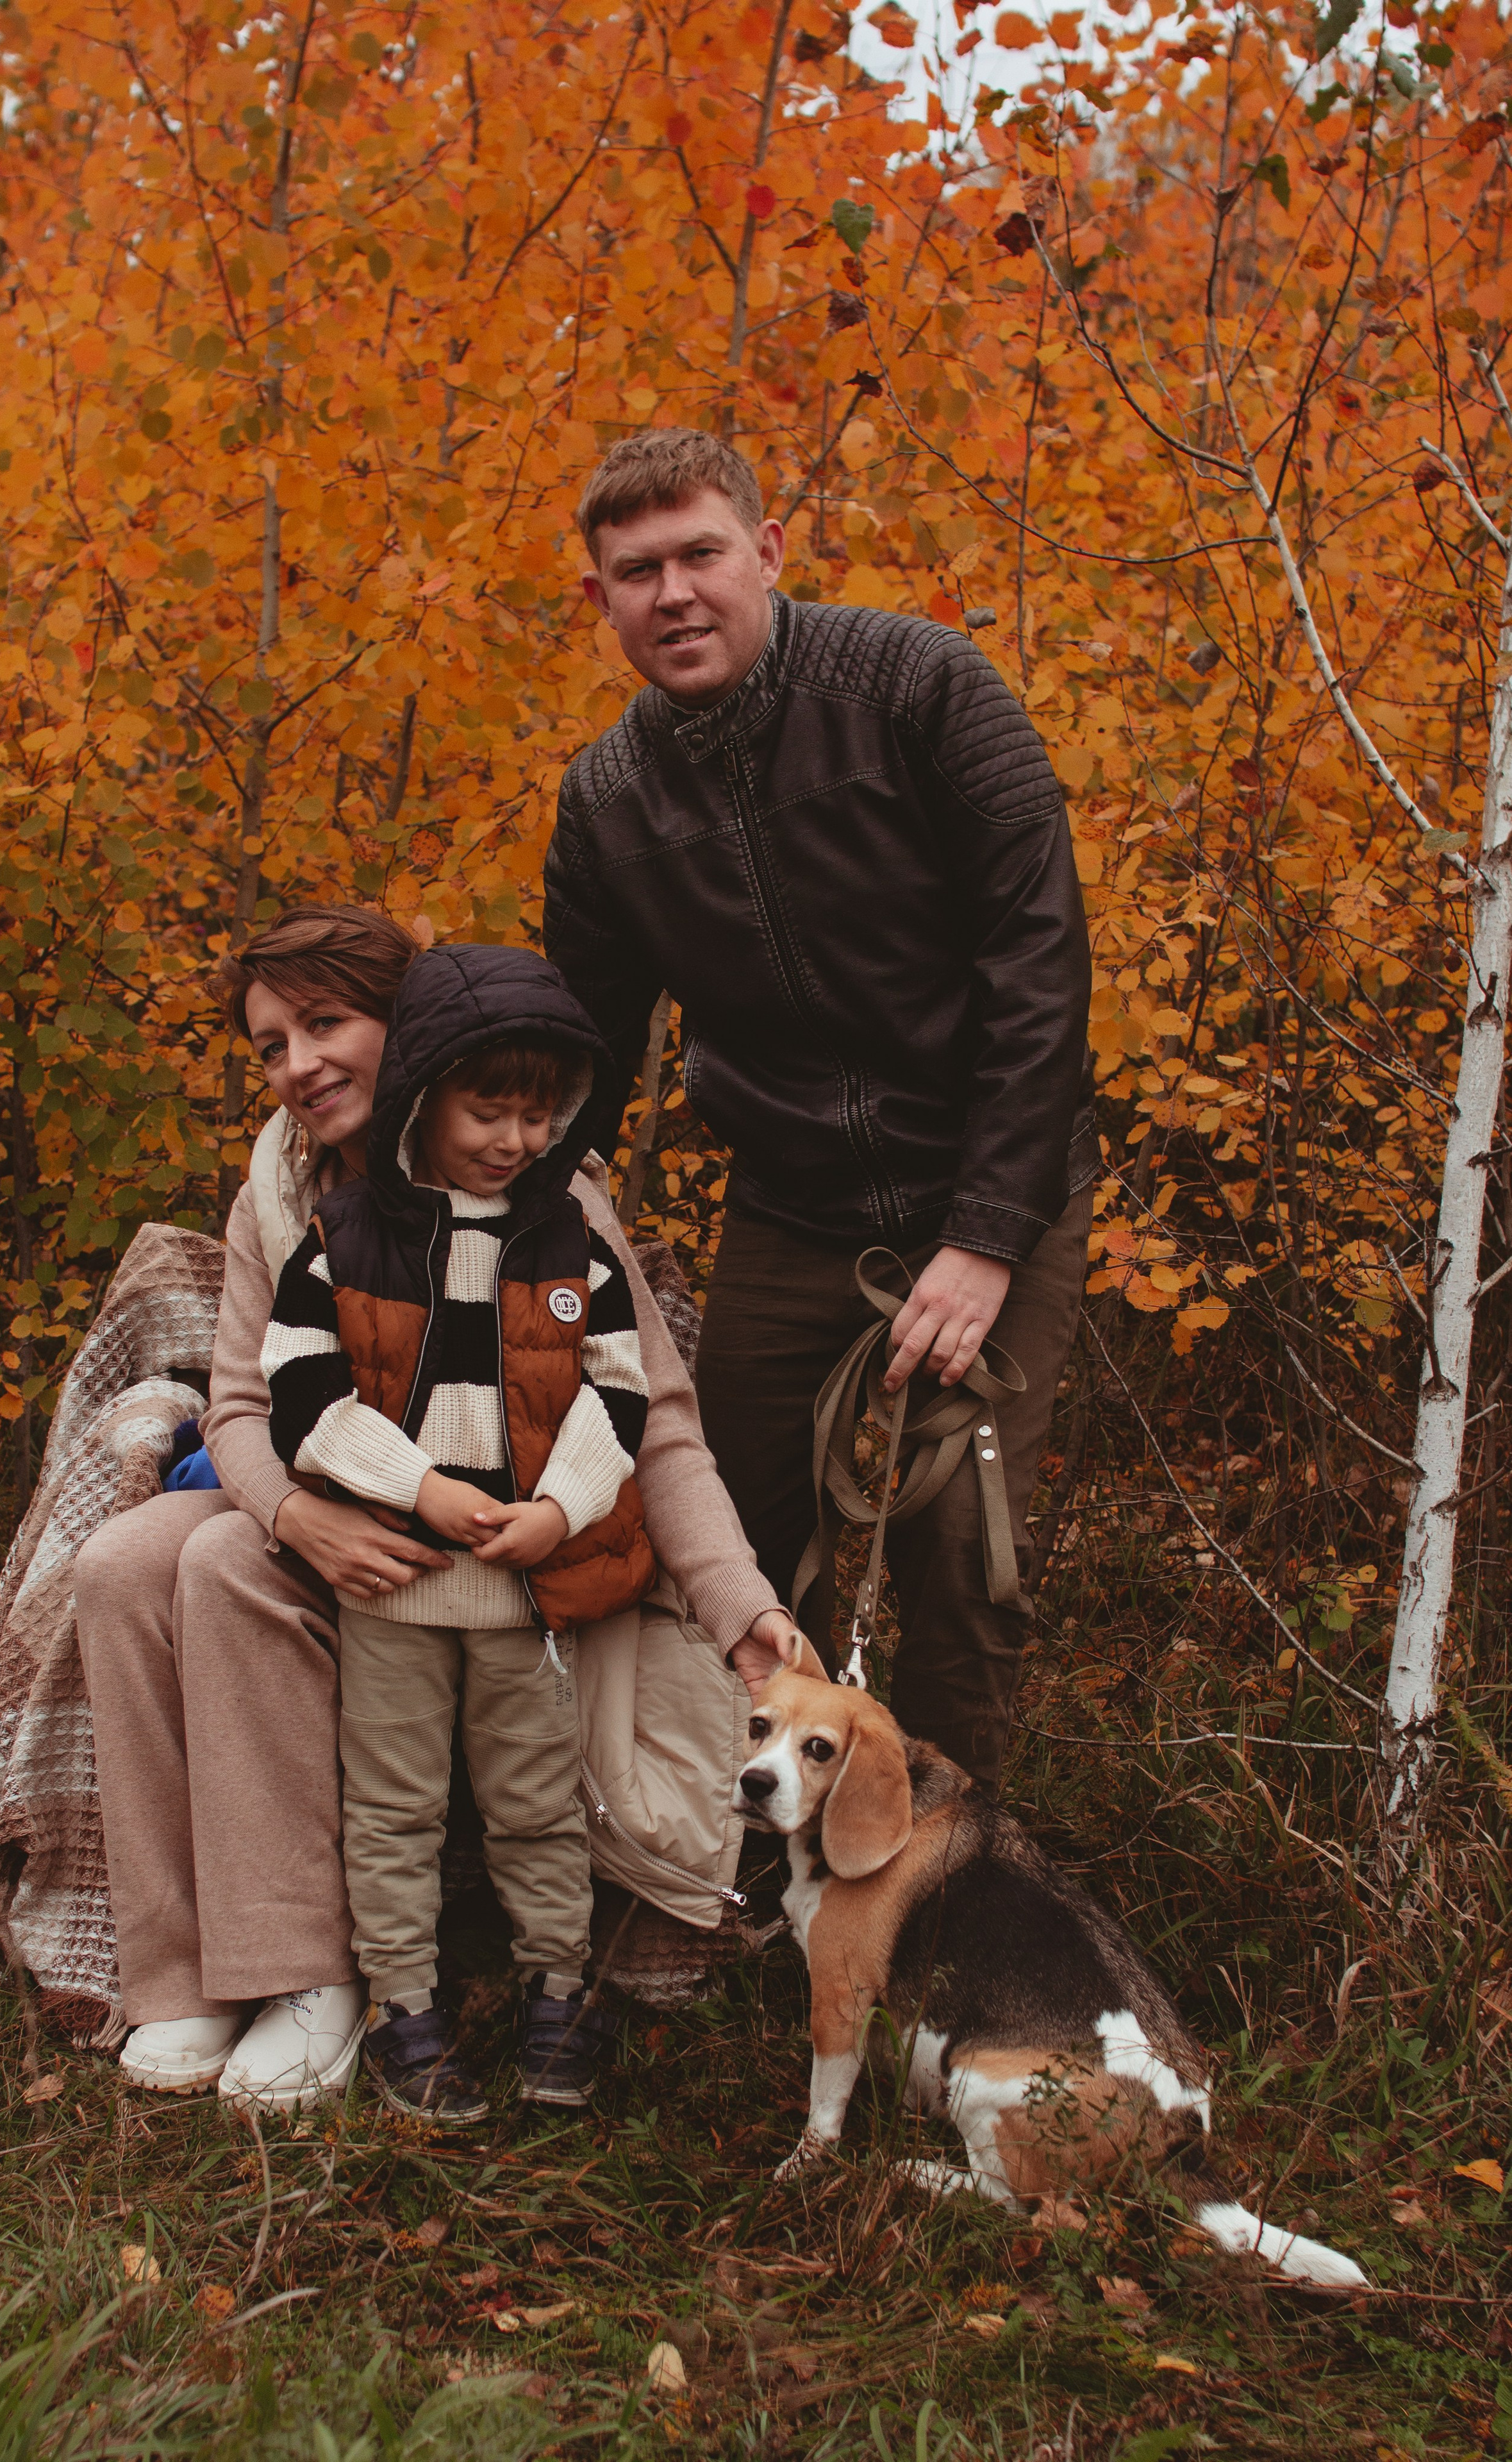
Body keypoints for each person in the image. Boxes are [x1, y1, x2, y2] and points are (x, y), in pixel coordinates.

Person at [75, 904, 791, 2111]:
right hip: (331, 1493)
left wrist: (739, 1602)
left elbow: (650, 1418)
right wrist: (297, 1516)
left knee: (217, 1572)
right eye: (268, 1045)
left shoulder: (545, 1185)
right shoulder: (283, 1188)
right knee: (119, 1565)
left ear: (408, 1029)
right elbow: (243, 1404)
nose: (297, 1064)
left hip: (500, 1539)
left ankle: (311, 1975)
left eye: (325, 1023)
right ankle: (183, 1971)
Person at [544, 430, 1098, 1796]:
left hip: (992, 1182)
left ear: (767, 553)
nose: (672, 594)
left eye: (698, 556)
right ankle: (725, 1868)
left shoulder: (919, 688)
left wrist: (982, 1234)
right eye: (636, 572)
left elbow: (1040, 966)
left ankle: (943, 1879)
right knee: (721, 1538)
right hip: (793, 1206)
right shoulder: (607, 800)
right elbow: (579, 1051)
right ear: (602, 600)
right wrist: (513, 1206)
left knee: (962, 1559)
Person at [263, 942, 656, 2116]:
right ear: (424, 1093)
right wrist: (417, 1487)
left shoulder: (571, 1243)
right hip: (394, 1584)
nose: (516, 1142)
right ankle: (406, 2010)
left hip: (525, 1594)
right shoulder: (340, 1239)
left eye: (541, 1117)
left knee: (538, 1802)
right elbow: (300, 1396)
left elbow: (619, 1392)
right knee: (392, 1806)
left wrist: (559, 1509)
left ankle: (555, 1995)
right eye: (490, 1111)